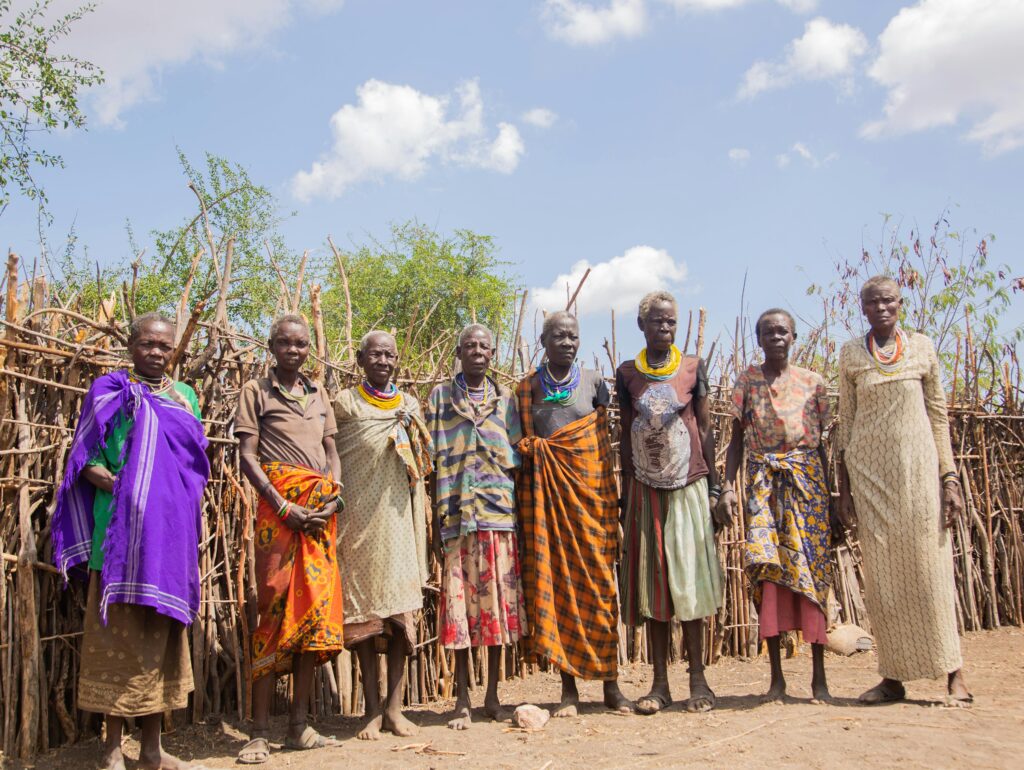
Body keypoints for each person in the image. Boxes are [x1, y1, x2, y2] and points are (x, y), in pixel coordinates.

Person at [52, 312, 210, 770]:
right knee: (113, 644)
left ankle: (152, 750)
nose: (156, 353)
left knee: (160, 641)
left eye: (164, 346)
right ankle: (109, 749)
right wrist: (132, 490)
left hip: (167, 542)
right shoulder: (108, 393)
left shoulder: (184, 398)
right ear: (131, 345)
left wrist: (162, 502)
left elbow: (192, 466)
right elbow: (85, 462)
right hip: (118, 542)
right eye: (147, 344)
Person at [835, 276, 972, 706]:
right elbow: (846, 421)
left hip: (918, 479)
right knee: (884, 583)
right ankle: (893, 678)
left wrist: (949, 479)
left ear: (900, 303)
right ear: (862, 308)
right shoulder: (852, 353)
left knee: (931, 574)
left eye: (888, 301)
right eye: (872, 302)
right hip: (870, 481)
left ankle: (954, 673)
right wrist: (844, 490)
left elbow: (938, 417)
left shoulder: (923, 348)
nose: (881, 308)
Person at [234, 314, 344, 763]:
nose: (294, 351)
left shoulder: (320, 395)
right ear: (272, 346)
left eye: (301, 344)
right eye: (285, 343)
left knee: (314, 613)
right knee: (273, 608)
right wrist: (283, 507)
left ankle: (299, 725)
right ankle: (259, 730)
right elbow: (247, 455)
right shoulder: (255, 392)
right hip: (278, 515)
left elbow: (332, 453)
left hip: (319, 516)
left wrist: (333, 497)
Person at [516, 311, 633, 716]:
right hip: (549, 507)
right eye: (559, 336)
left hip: (592, 502)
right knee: (559, 587)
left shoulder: (595, 382)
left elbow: (603, 443)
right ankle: (568, 690)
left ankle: (612, 687)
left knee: (602, 591)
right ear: (544, 341)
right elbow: (520, 442)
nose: (568, 343)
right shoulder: (527, 388)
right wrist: (538, 449)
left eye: (574, 337)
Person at [617, 291, 726, 715]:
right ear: (641, 326)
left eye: (671, 322)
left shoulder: (693, 368)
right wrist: (627, 497)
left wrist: (717, 489)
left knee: (691, 581)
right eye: (657, 322)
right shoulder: (627, 374)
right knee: (655, 584)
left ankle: (698, 679)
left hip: (688, 485)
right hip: (645, 491)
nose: (665, 328)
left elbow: (707, 428)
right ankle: (660, 684)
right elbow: (626, 437)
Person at [720, 308, 834, 703]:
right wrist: (729, 488)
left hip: (807, 484)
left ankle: (819, 679)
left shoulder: (813, 383)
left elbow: (822, 448)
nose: (776, 337)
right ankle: (777, 680)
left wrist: (832, 500)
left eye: (783, 331)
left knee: (812, 575)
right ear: (759, 338)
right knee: (767, 571)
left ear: (794, 336)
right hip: (763, 484)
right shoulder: (748, 381)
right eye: (768, 332)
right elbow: (735, 440)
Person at [426, 323, 528, 730]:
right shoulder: (439, 398)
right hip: (456, 518)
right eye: (470, 346)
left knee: (496, 611)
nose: (478, 352)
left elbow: (518, 457)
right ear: (458, 351)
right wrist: (435, 525)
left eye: (484, 346)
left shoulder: (506, 401)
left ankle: (492, 696)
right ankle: (462, 699)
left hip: (498, 516)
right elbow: (430, 461)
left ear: (492, 353)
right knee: (461, 611)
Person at [334, 330, 432, 740]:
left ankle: (394, 708)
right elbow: (329, 454)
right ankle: (371, 710)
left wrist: (410, 429)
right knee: (363, 616)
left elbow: (424, 460)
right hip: (356, 522)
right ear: (360, 359)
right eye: (375, 354)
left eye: (389, 355)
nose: (383, 361)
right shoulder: (344, 403)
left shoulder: (408, 404)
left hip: (397, 520)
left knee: (399, 616)